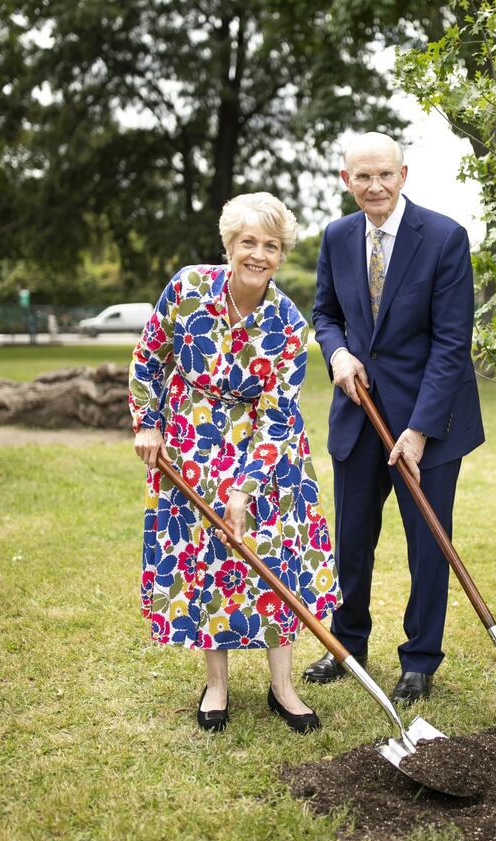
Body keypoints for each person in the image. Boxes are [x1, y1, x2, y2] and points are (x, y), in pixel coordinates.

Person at [129, 192, 341, 733]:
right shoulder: (187, 288)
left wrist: (245, 489)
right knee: (206, 558)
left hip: (267, 453)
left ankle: (283, 686)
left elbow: (276, 411)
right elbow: (150, 356)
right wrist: (148, 421)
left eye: (271, 246)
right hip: (192, 440)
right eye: (248, 242)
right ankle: (217, 686)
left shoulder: (289, 323)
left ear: (281, 254)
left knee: (274, 560)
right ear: (229, 244)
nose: (259, 254)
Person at [303, 132, 484, 704]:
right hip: (359, 418)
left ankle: (420, 660)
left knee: (427, 546)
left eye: (385, 175)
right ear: (346, 181)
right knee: (352, 542)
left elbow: (453, 343)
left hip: (428, 426)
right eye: (363, 177)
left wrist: (419, 430)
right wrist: (336, 353)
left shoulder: (445, 238)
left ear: (403, 175)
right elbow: (325, 313)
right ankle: (348, 646)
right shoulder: (335, 237)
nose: (374, 186)